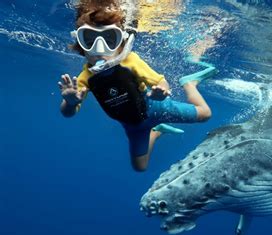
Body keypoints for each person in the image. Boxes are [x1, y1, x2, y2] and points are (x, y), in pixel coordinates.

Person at [58, 1, 216, 172]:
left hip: (158, 108)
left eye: (110, 39)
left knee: (205, 114)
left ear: (122, 42)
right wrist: (70, 102)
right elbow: (68, 113)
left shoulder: (130, 61)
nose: (99, 50)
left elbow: (161, 82)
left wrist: (161, 94)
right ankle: (156, 132)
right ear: (81, 44)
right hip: (132, 126)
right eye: (89, 39)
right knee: (140, 167)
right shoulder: (86, 77)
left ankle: (189, 83)